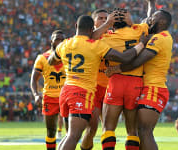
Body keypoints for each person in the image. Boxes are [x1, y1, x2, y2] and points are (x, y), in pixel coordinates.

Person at [48, 14, 148, 150]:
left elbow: (51, 61)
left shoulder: (65, 44)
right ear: (91, 29)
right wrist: (141, 44)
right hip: (81, 92)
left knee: (69, 135)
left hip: (66, 91)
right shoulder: (96, 45)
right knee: (73, 135)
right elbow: (124, 57)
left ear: (76, 26)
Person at [106, 9, 173, 150]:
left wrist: (117, 69)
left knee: (144, 131)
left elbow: (138, 61)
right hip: (145, 86)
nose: (149, 20)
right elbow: (147, 21)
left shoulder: (159, 38)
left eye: (153, 18)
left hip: (154, 88)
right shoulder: (157, 36)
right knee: (140, 131)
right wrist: (150, 4)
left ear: (161, 22)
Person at [100, 1, 155, 149]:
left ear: (112, 23)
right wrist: (152, 3)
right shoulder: (139, 30)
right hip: (136, 82)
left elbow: (92, 36)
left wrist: (106, 23)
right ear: (128, 20)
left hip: (116, 81)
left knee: (108, 129)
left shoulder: (107, 37)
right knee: (132, 131)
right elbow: (150, 18)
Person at [30, 30, 66, 150]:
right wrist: (35, 94)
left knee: (71, 131)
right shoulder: (42, 58)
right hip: (49, 98)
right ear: (51, 40)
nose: (60, 41)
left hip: (66, 97)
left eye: (62, 39)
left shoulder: (69, 57)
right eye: (57, 39)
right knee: (51, 131)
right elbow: (34, 79)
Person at [79, 8, 109, 150]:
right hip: (94, 88)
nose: (104, 20)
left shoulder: (113, 36)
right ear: (94, 22)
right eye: (100, 18)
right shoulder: (88, 38)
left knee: (108, 129)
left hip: (110, 88)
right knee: (92, 127)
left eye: (106, 18)